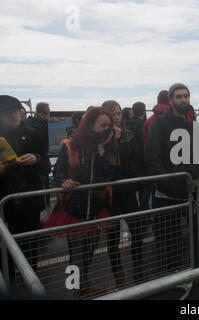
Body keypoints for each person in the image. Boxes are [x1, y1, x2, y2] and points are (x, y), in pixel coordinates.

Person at [44, 107, 119, 298]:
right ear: (90, 126)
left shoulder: (108, 147)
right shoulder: (71, 145)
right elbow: (58, 170)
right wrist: (63, 181)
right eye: (103, 125)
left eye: (109, 125)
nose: (107, 129)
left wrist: (102, 150)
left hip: (96, 207)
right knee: (75, 253)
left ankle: (83, 285)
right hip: (74, 208)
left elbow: (112, 175)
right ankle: (75, 289)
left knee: (90, 249)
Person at [144, 83, 199, 272]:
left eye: (186, 96)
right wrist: (168, 183)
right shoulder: (159, 124)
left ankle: (197, 271)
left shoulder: (191, 125)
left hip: (190, 191)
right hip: (168, 194)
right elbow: (153, 157)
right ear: (171, 100)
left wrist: (196, 177)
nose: (183, 99)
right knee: (170, 240)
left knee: (197, 234)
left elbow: (197, 155)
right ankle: (174, 277)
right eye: (179, 96)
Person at [0, 95, 51, 288]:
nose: (15, 116)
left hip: (29, 205)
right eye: (8, 113)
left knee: (30, 253)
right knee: (5, 259)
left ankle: (31, 286)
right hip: (4, 207)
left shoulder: (33, 135)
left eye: (17, 111)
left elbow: (46, 167)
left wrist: (36, 160)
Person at [102, 100, 146, 284]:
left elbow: (136, 161)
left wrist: (134, 184)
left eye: (119, 113)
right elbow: (104, 165)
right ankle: (118, 275)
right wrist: (114, 141)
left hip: (127, 192)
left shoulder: (130, 135)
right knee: (112, 238)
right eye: (113, 114)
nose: (117, 117)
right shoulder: (99, 139)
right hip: (110, 194)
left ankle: (138, 268)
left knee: (137, 231)